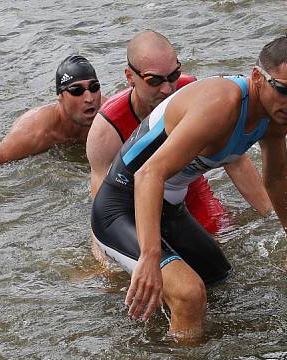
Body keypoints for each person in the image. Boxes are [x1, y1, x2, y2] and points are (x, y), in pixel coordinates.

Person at [90, 36, 287, 340]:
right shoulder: (221, 104)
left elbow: (277, 177)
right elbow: (149, 174)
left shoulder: (277, 114)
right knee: (189, 294)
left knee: (220, 281)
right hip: (122, 206)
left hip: (168, 208)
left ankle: (163, 340)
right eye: (286, 90)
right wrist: (149, 256)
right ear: (257, 77)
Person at [87, 31, 271, 236]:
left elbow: (234, 159)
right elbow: (102, 201)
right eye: (154, 81)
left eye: (174, 76)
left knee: (226, 234)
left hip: (187, 185)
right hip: (134, 195)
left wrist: (273, 216)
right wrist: (104, 257)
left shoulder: (192, 91)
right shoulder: (108, 127)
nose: (168, 89)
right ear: (130, 77)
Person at [0, 55, 103, 168]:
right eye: (77, 91)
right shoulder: (36, 132)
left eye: (94, 87)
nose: (89, 98)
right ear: (60, 96)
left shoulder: (108, 114)